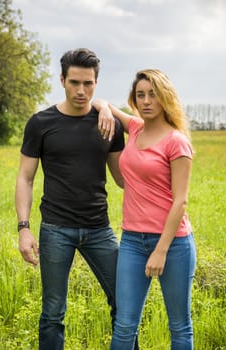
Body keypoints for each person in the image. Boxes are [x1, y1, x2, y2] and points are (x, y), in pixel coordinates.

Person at [15, 48, 126, 350]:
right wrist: (23, 228)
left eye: (88, 84)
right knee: (53, 313)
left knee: (124, 304)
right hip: (55, 230)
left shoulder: (108, 124)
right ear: (62, 80)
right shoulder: (41, 123)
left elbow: (122, 178)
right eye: (74, 82)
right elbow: (25, 178)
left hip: (99, 229)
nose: (81, 90)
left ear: (96, 83)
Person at [94, 69, 197, 349]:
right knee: (125, 325)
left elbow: (181, 201)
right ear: (134, 99)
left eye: (153, 94)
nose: (147, 100)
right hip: (132, 242)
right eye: (140, 95)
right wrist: (103, 107)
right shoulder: (136, 128)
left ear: (165, 97)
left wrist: (160, 250)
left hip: (173, 244)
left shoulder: (176, 142)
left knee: (179, 326)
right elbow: (103, 104)